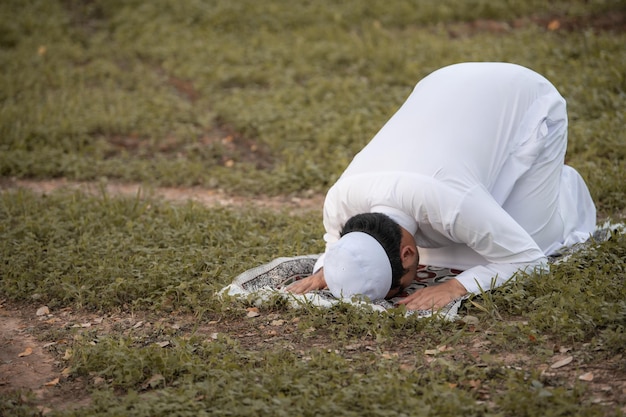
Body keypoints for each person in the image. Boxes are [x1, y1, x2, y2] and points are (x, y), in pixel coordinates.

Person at [287, 62, 596, 311]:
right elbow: (335, 247)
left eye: (403, 286)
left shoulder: (453, 204)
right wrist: (335, 269)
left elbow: (530, 261)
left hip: (526, 95)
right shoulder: (339, 201)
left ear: (407, 254)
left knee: (529, 244)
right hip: (440, 81)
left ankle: (561, 187)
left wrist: (455, 286)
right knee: (472, 245)